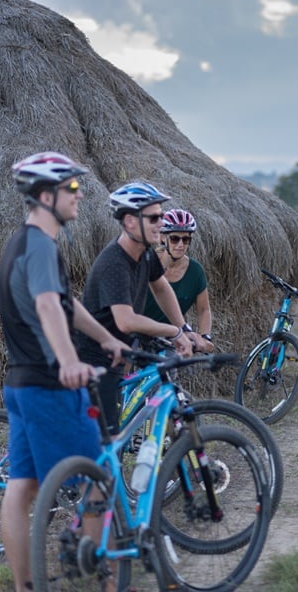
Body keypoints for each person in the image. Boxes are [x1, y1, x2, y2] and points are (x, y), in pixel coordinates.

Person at [0, 152, 128, 592]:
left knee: (22, 488)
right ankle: (107, 583)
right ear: (45, 195)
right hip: (53, 386)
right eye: (72, 188)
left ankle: (26, 586)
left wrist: (107, 338)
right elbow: (49, 305)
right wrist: (70, 361)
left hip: (21, 385)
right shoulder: (39, 245)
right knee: (97, 481)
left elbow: (67, 304)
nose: (79, 195)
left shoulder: (21, 243)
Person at [77, 182, 199, 434]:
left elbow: (161, 287)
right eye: (154, 218)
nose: (161, 223)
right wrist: (173, 333)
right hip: (94, 360)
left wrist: (184, 327)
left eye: (162, 216)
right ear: (130, 221)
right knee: (103, 444)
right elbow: (126, 321)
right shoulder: (114, 261)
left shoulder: (144, 253)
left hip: (118, 355)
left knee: (113, 438)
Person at [142, 208, 214, 353]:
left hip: (168, 337)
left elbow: (204, 309)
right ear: (163, 238)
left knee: (166, 374)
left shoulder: (195, 271)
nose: (180, 245)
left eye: (186, 239)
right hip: (138, 328)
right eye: (175, 238)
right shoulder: (146, 262)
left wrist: (205, 337)